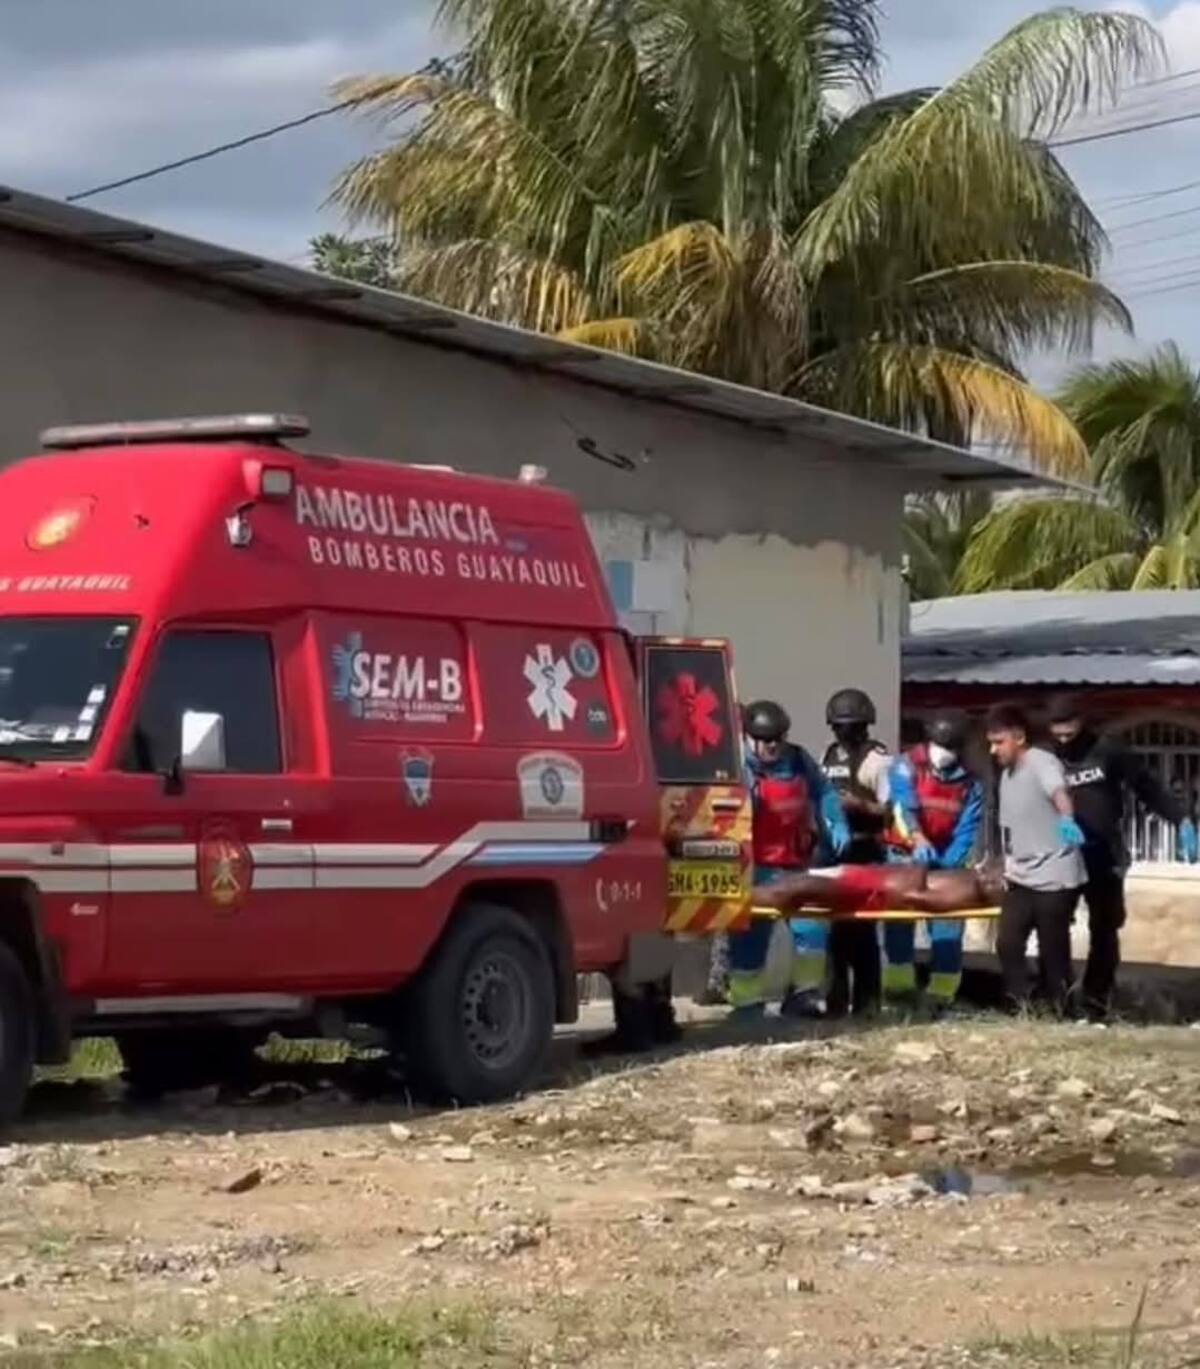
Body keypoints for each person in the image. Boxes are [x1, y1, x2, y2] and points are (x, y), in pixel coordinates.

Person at [1045, 694, 1200, 1022]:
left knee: (1105, 927)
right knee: (1053, 925)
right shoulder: (1044, 756)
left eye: (1068, 733)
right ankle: (1058, 1002)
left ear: (1081, 722)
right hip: (1060, 855)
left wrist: (1181, 819)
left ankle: (1097, 1003)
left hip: (1104, 853)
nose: (1063, 740)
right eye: (1056, 733)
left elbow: (1146, 786)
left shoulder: (1108, 749)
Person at [729, 699, 850, 1017]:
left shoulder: (798, 760)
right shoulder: (739, 767)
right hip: (756, 869)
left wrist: (835, 822)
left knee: (811, 931)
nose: (773, 746)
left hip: (797, 864)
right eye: (766, 740)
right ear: (750, 738)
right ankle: (746, 1005)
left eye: (778, 738)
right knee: (749, 940)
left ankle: (803, 996)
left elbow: (824, 792)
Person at [987, 704, 1086, 1015]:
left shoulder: (1042, 762)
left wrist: (1067, 819)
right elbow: (1013, 827)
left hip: (1055, 874)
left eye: (999, 741)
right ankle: (1020, 1006)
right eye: (991, 742)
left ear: (1019, 737)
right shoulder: (1006, 775)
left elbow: (1059, 792)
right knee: (1008, 942)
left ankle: (1061, 1009)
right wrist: (1003, 863)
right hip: (1022, 875)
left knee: (1052, 949)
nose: (993, 749)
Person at [883, 712, 985, 1014]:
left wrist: (948, 863)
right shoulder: (906, 765)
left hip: (946, 857)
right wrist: (917, 839)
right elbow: (903, 808)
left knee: (947, 926)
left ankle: (941, 995)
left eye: (951, 746)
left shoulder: (970, 780)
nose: (944, 752)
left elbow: (968, 827)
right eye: (940, 745)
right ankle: (898, 993)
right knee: (899, 922)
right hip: (905, 854)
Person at [821, 688, 891, 1017]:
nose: (842, 732)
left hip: (868, 850)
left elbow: (894, 810)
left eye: (849, 726)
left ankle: (867, 1004)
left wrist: (860, 805)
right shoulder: (829, 755)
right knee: (836, 934)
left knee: (862, 932)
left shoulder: (878, 760)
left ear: (864, 725)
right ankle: (835, 1002)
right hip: (837, 851)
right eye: (837, 726)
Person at [753, 860, 1006, 918]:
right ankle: (741, 894)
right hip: (870, 876)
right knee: (795, 883)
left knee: (796, 888)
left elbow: (923, 900)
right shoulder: (971, 876)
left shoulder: (969, 891)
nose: (994, 879)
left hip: (874, 890)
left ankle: (737, 897)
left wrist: (910, 887)